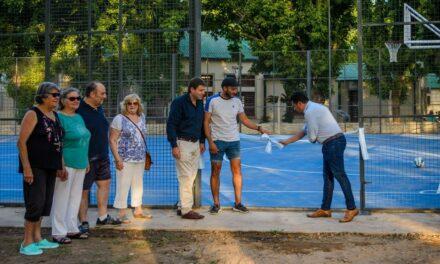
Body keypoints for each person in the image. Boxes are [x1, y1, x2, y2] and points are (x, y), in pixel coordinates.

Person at [280, 92, 359, 223]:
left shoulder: (310, 112)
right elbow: (303, 132)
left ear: (299, 103)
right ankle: (325, 209)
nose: (294, 109)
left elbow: (311, 138)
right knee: (328, 178)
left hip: (333, 143)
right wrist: (286, 141)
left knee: (340, 175)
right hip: (332, 143)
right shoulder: (314, 108)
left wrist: (312, 136)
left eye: (294, 106)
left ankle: (352, 208)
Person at [204, 77, 270, 215]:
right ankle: (216, 204)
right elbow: (206, 122)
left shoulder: (237, 102)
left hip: (234, 141)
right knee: (215, 171)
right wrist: (210, 142)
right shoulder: (212, 101)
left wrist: (259, 128)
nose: (235, 91)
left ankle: (238, 203)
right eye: (233, 89)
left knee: (237, 171)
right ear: (225, 88)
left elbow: (244, 119)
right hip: (217, 141)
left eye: (236, 89)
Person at [17, 82, 64, 255]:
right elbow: (21, 142)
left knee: (45, 203)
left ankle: (37, 238)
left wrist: (61, 165)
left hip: (51, 166)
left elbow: (58, 142)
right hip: (35, 167)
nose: (57, 98)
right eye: (54, 95)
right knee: (35, 203)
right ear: (43, 96)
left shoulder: (54, 115)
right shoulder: (32, 113)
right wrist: (27, 168)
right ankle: (26, 242)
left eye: (58, 95)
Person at [77, 81, 121, 236]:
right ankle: (83, 222)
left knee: (105, 185)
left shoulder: (99, 108)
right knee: (83, 191)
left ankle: (102, 217)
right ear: (91, 94)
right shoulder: (78, 110)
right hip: (86, 158)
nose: (105, 96)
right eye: (102, 93)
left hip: (102, 156)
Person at [51, 88, 91, 243]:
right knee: (62, 198)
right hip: (66, 163)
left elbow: (84, 140)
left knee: (75, 198)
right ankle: (58, 232)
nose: (76, 101)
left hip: (81, 163)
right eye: (72, 98)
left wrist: (86, 159)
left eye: (78, 98)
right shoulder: (58, 117)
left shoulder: (79, 117)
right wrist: (60, 164)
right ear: (63, 100)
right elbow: (57, 143)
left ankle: (72, 228)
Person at [167, 77, 206, 220]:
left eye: (203, 90)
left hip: (195, 144)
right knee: (186, 177)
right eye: (201, 90)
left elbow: (201, 124)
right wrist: (174, 145)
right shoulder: (179, 103)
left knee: (191, 177)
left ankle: (181, 206)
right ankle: (186, 210)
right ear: (192, 90)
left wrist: (202, 141)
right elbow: (171, 124)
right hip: (182, 143)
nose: (203, 93)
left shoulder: (200, 103)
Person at [110, 93, 152, 223]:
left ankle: (138, 210)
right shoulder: (119, 118)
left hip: (140, 158)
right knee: (123, 185)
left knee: (138, 185)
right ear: (125, 105)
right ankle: (121, 213)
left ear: (139, 105)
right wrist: (117, 159)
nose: (132, 106)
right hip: (125, 159)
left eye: (135, 103)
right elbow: (112, 140)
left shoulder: (142, 117)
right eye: (129, 103)